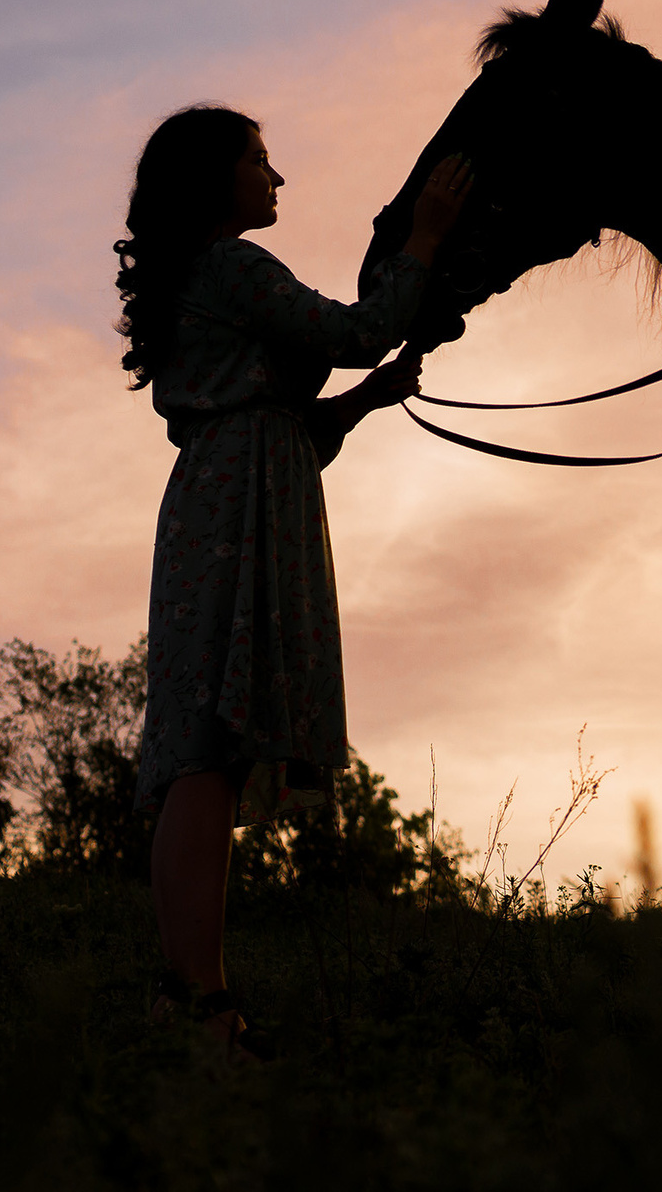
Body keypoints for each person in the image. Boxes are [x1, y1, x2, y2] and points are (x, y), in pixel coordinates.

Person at [113, 103, 471, 1059]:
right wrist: (425, 240)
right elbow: (355, 329)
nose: (276, 178)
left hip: (232, 493)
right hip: (235, 508)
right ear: (214, 179)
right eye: (261, 160)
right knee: (207, 753)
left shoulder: (205, 275)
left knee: (210, 750)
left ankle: (194, 997)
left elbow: (285, 417)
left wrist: (363, 400)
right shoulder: (230, 263)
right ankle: (199, 1004)